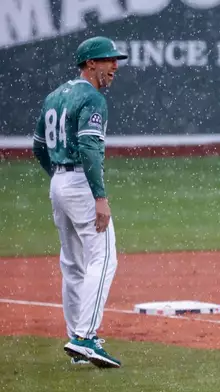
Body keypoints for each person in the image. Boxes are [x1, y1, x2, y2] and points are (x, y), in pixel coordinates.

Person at [32, 36, 128, 368]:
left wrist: (58, 178)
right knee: (104, 258)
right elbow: (89, 148)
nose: (115, 65)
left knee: (73, 265)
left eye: (116, 60)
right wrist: (99, 196)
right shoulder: (92, 98)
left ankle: (77, 341)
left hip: (59, 179)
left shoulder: (55, 95)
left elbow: (38, 146)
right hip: (80, 182)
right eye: (109, 60)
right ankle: (85, 337)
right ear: (90, 64)